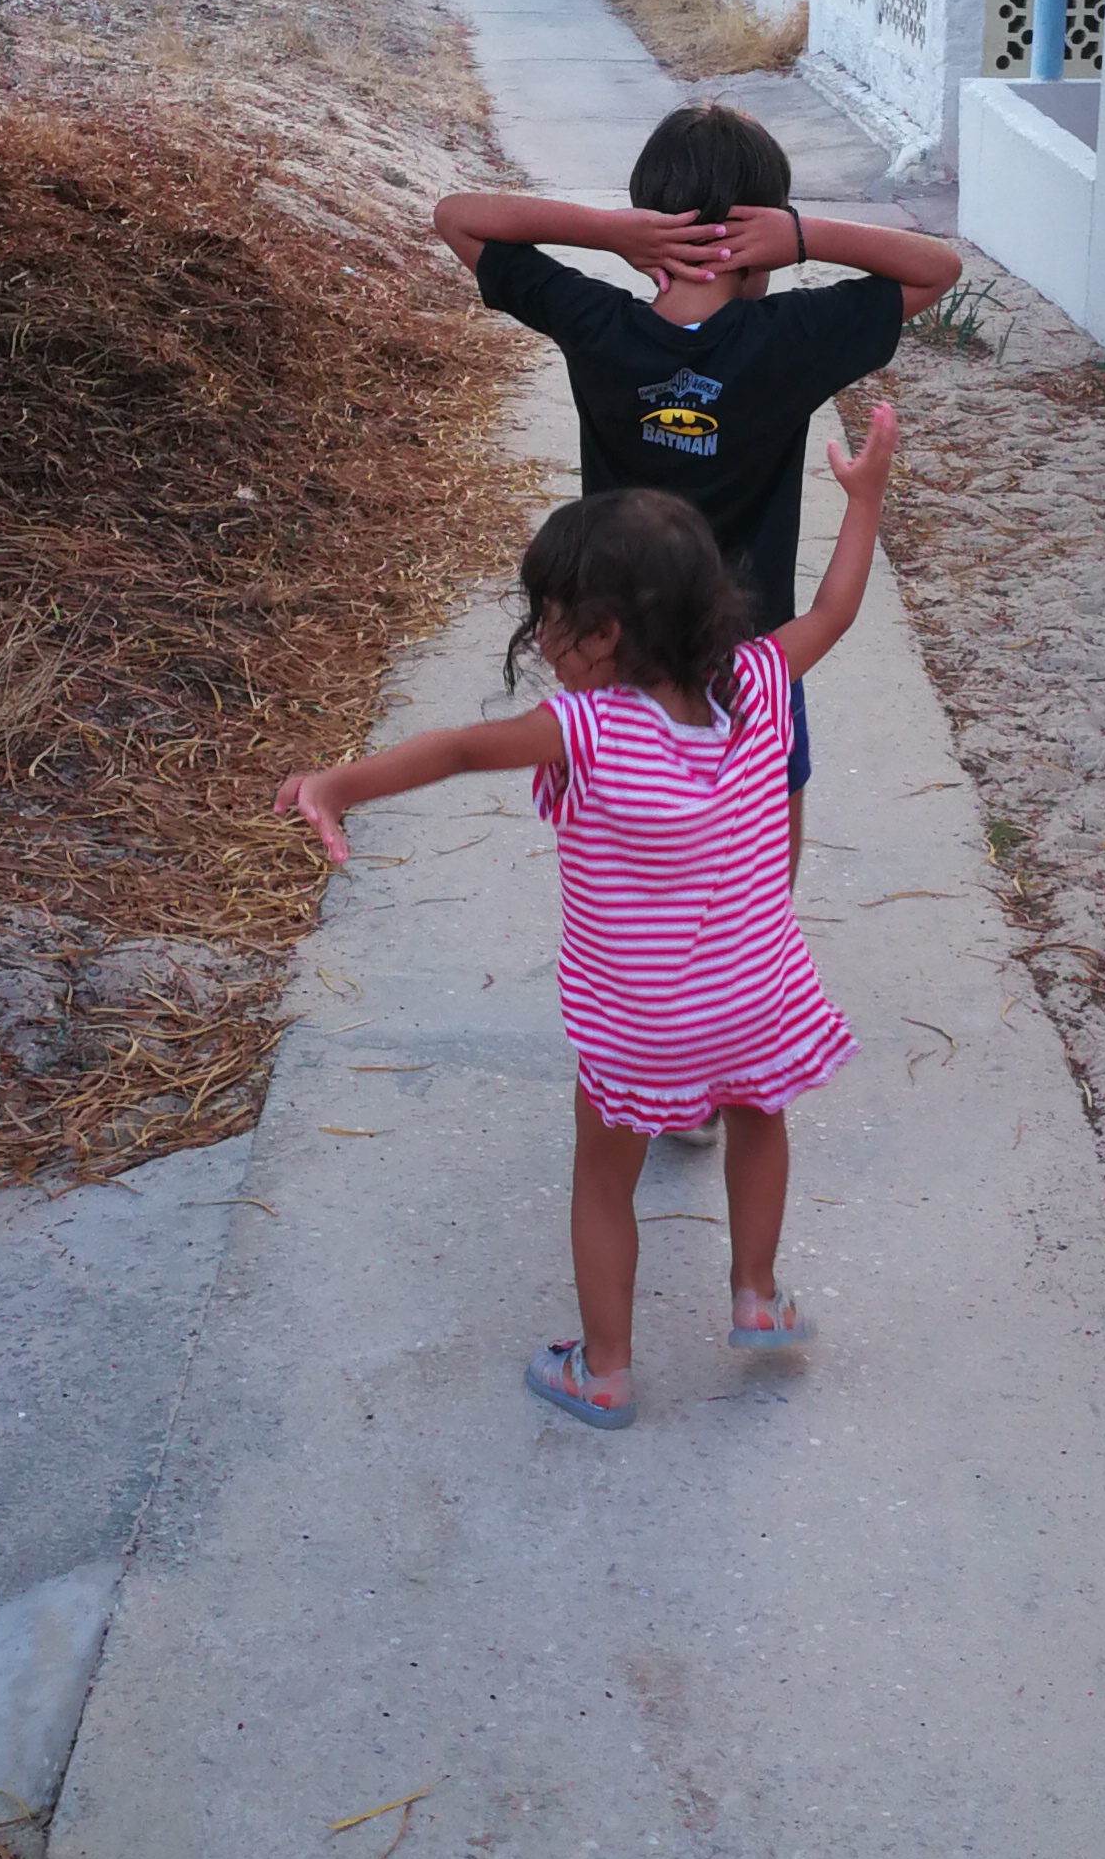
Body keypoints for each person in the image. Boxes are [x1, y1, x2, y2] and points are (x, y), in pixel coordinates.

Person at [275, 401, 901, 1433]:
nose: (542, 639)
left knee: (603, 1181)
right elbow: (833, 609)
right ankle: (756, 1295)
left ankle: (604, 1371)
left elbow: (459, 750)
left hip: (641, 1018)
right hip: (759, 994)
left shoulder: (586, 728)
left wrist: (338, 783)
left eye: (552, 618)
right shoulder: (755, 682)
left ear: (605, 635)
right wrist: (864, 500)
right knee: (759, 1121)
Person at [431, 102, 958, 886]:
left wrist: (608, 232)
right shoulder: (794, 339)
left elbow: (457, 216)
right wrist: (803, 235)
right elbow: (937, 268)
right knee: (761, 883)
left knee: (624, 873)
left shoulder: (597, 325)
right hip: (754, 664)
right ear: (762, 239)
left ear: (650, 221)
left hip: (618, 660)